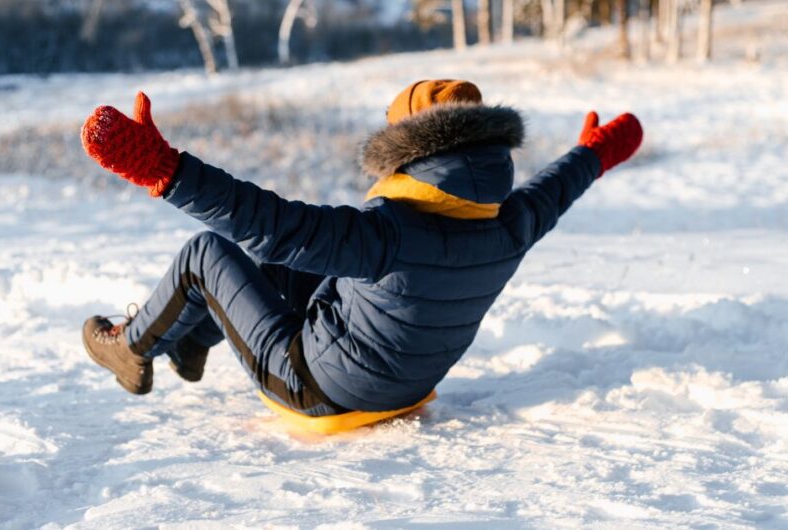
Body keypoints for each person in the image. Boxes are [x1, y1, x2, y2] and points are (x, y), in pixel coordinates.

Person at [80, 79, 643, 420]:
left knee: (207, 253)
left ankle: (131, 351)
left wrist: (166, 170)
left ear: (409, 149)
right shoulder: (512, 223)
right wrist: (595, 151)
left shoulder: (390, 231)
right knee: (278, 260)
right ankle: (193, 343)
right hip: (408, 380)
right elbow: (559, 185)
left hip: (315, 386)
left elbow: (268, 222)